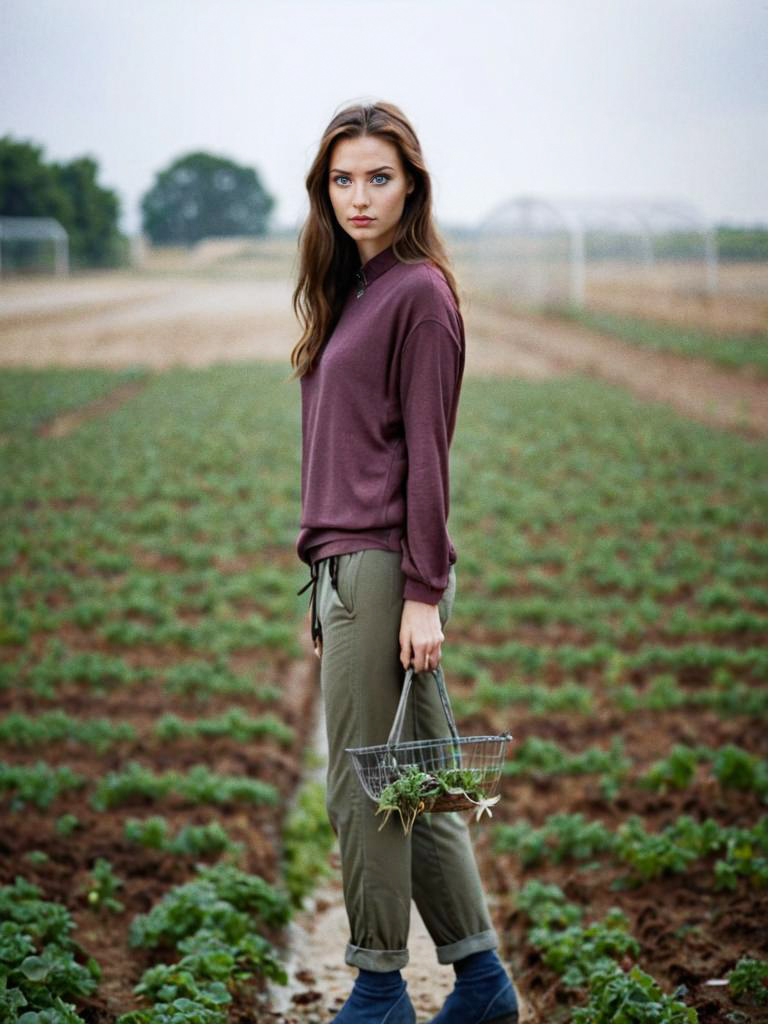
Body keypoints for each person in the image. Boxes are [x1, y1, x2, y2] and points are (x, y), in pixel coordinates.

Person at [290, 100, 519, 1024]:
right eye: (342, 178)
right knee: (416, 780)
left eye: (378, 176)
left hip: (390, 571)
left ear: (412, 184)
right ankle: (483, 984)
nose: (359, 195)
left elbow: (429, 453)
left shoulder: (419, 293)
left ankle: (380, 989)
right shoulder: (353, 289)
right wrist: (324, 584)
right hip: (355, 568)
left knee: (364, 785)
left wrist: (420, 593)